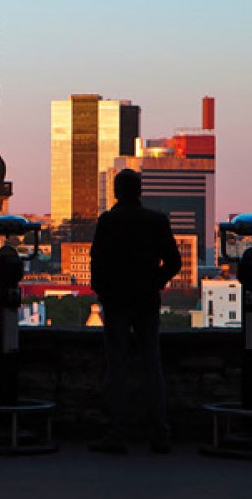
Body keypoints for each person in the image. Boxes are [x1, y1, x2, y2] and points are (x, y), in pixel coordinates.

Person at [89, 168, 182, 454]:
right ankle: (160, 432)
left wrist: (104, 292)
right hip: (145, 301)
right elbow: (174, 262)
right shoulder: (156, 221)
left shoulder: (108, 222)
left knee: (117, 367)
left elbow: (97, 265)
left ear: (116, 192)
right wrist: (156, 282)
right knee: (152, 366)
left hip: (117, 302)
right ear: (140, 191)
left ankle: (117, 433)